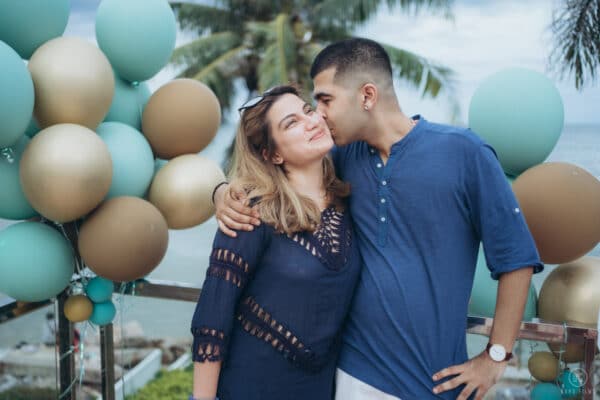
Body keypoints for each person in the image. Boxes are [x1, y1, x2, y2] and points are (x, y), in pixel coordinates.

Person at [213, 38, 543, 400]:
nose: (318, 114)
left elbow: (515, 257)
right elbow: (274, 169)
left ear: (366, 96)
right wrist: (221, 192)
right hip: (348, 376)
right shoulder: (341, 158)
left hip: (435, 383)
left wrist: (496, 356)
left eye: (325, 100)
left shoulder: (465, 153)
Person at [190, 85, 361, 400]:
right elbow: (212, 318)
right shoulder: (250, 211)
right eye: (291, 123)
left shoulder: (348, 201)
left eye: (307, 111)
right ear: (273, 154)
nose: (311, 122)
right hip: (250, 387)